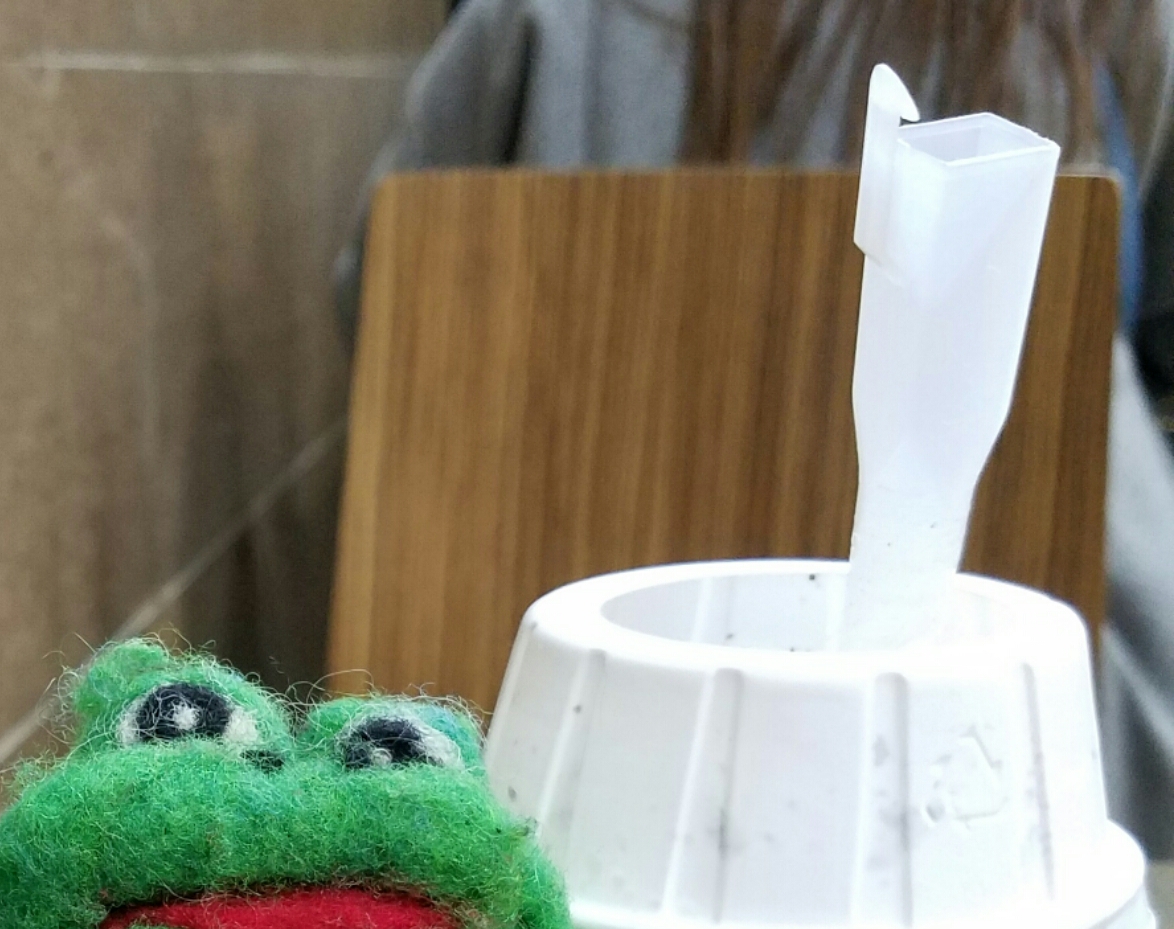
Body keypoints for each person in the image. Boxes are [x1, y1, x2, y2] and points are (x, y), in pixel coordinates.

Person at [338, 0, 1174, 858]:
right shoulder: (1084, 27)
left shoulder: (537, 19)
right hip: (1014, 787)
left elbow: (382, 299)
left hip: (515, 731)